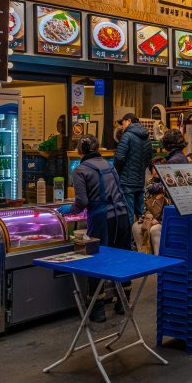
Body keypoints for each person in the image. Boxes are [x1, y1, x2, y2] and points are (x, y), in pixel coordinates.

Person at [60, 135, 130, 322]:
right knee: (121, 258)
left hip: (101, 219)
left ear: (79, 151)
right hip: (122, 215)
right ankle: (123, 303)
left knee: (96, 260)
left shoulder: (80, 170)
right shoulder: (109, 164)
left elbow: (82, 202)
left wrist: (68, 210)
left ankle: (97, 310)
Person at [114, 113, 152, 228]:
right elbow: (149, 158)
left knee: (128, 215)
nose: (122, 126)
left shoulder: (127, 136)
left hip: (127, 182)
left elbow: (119, 157)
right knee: (141, 214)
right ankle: (143, 241)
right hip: (140, 181)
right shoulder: (146, 137)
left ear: (129, 121)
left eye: (123, 123)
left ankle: (128, 244)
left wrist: (117, 172)